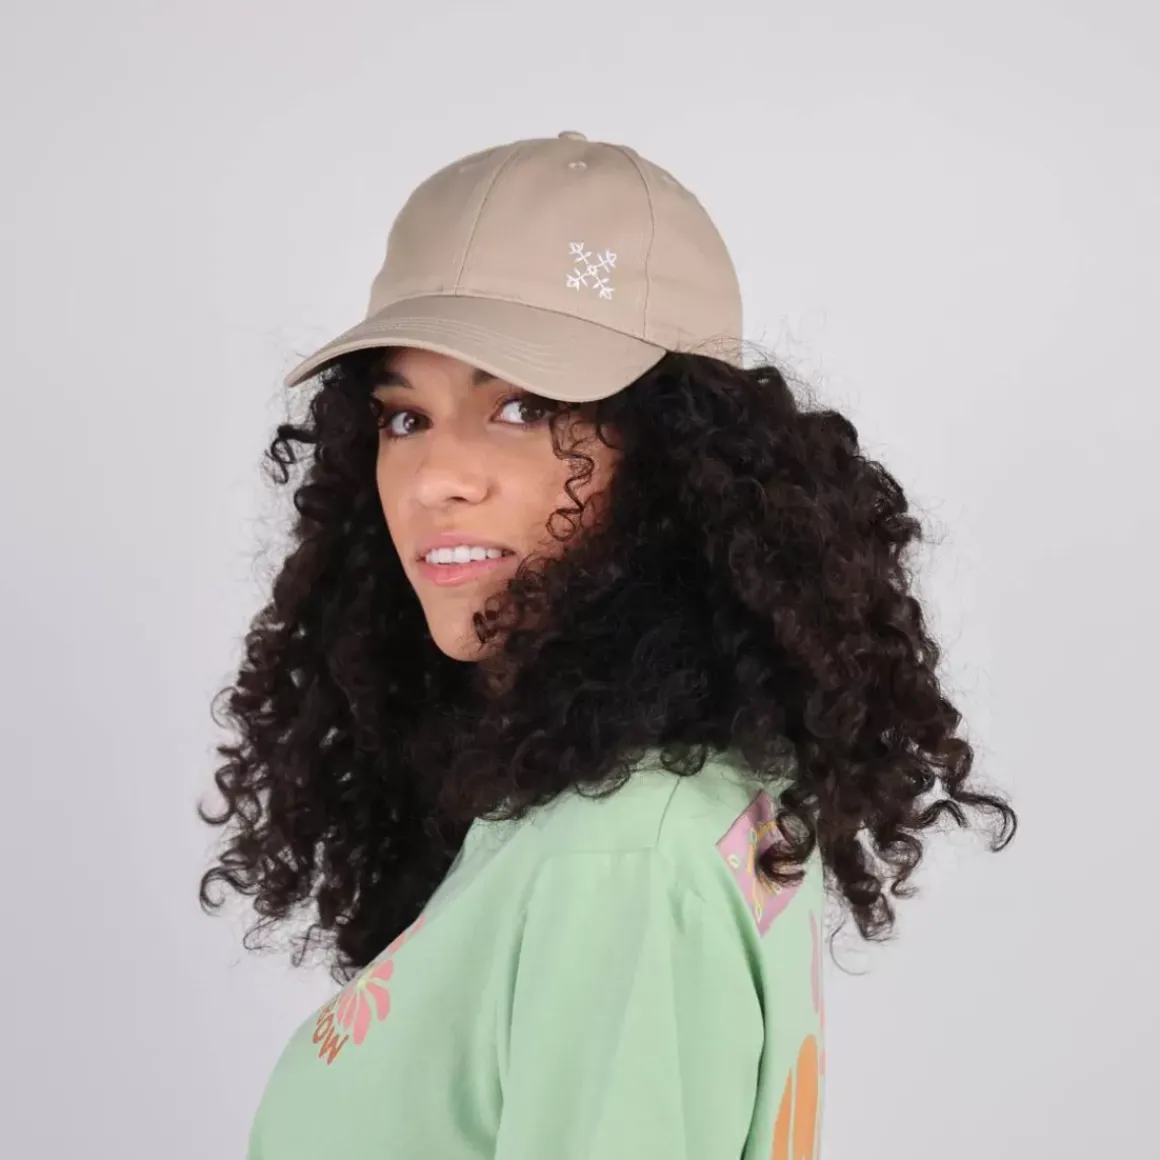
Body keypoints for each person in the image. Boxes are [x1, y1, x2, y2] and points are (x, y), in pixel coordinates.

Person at [198, 130, 1017, 1160]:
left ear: (677, 453)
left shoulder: (618, 857)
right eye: (403, 417)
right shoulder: (662, 803)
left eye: (522, 406)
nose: (436, 476)